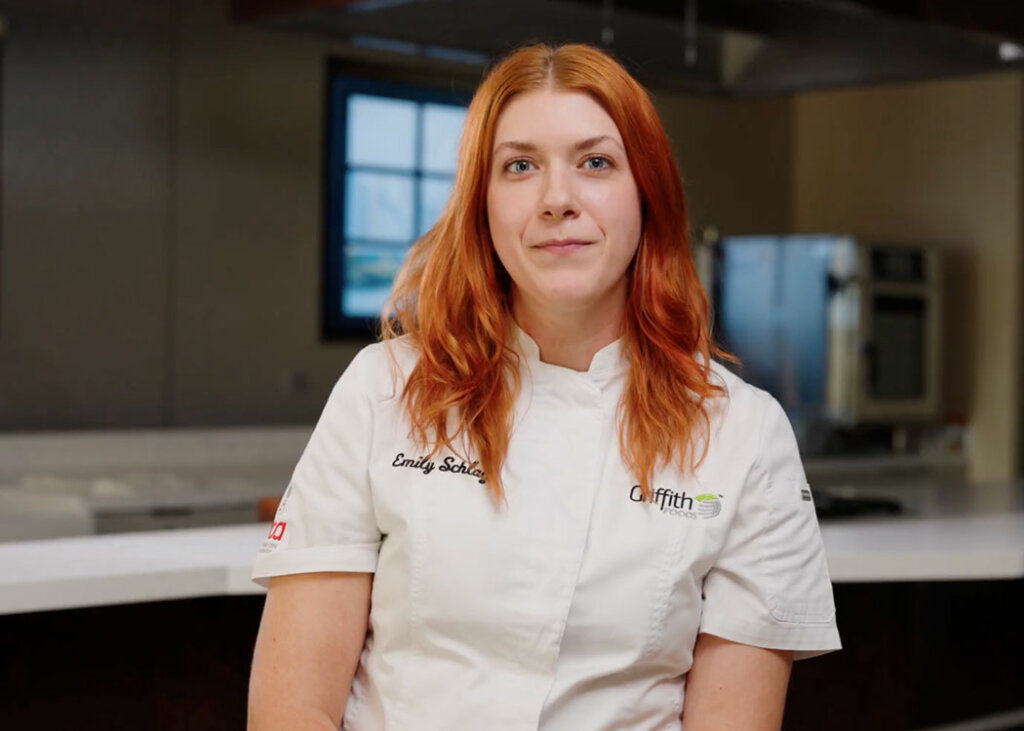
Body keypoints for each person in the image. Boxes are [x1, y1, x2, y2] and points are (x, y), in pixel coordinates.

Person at [247, 42, 841, 731]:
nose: (558, 199)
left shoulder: (745, 434)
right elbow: (292, 710)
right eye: (520, 166)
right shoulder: (383, 387)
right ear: (483, 202)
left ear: (646, 191)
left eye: (595, 162)